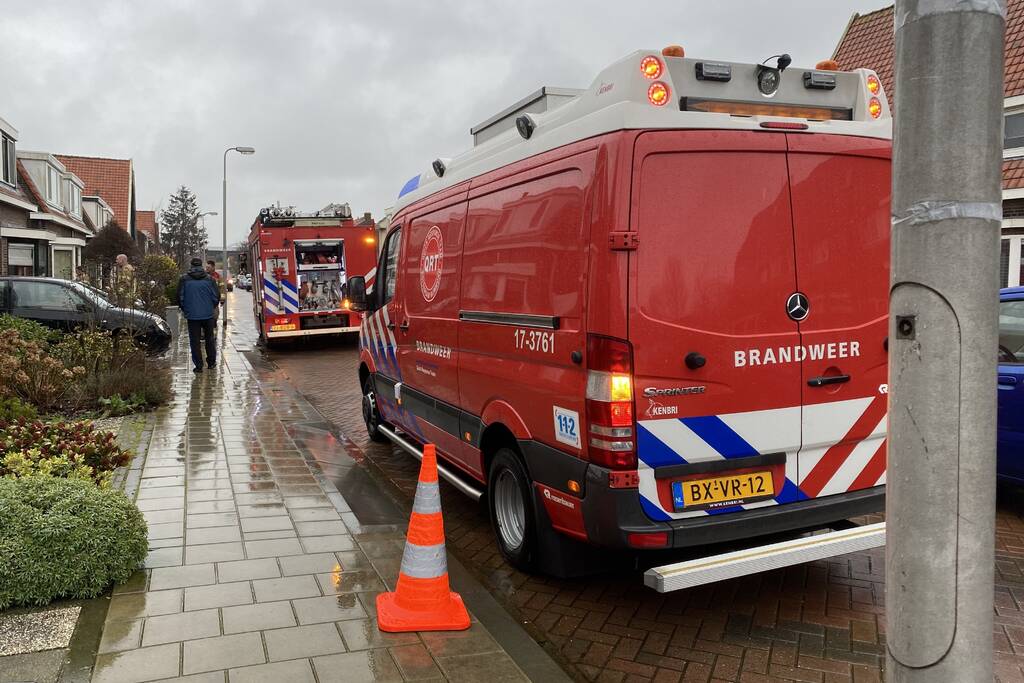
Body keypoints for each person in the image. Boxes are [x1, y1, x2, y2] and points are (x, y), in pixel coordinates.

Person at [179, 257, 221, 373]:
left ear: (191, 266)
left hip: (192, 316)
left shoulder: (184, 279)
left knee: (195, 341)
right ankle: (211, 363)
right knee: (210, 339)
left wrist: (186, 309)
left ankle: (198, 365)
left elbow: (180, 297)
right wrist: (210, 307)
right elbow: (216, 296)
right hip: (208, 315)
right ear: (201, 265)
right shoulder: (209, 279)